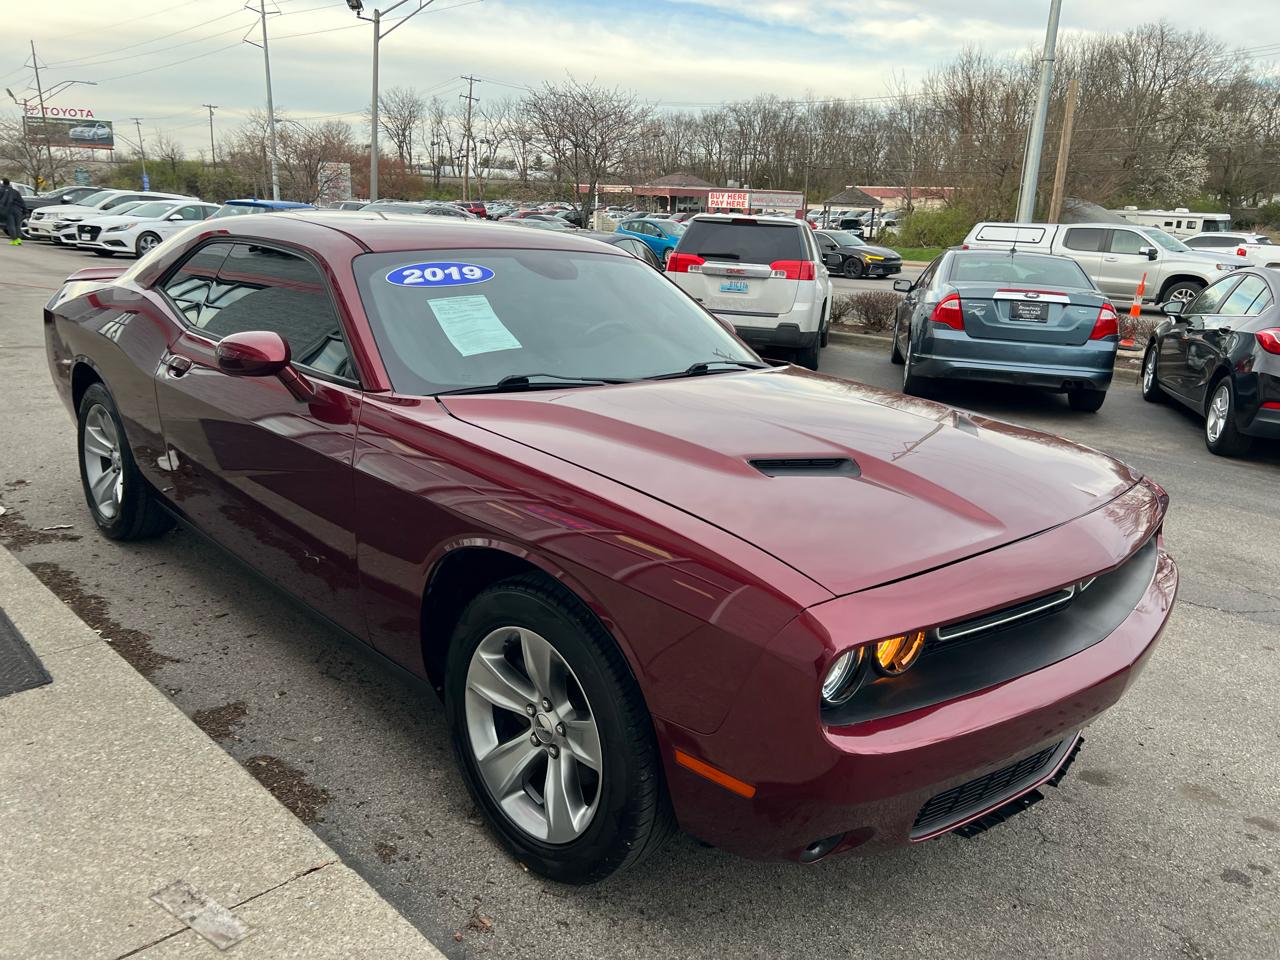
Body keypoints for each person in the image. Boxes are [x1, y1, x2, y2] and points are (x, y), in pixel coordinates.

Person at [0, 179, 22, 245]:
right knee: (17, 225)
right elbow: (21, 201)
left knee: (10, 225)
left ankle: (14, 240)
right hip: (17, 209)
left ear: (3, 183)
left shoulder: (1, 190)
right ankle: (19, 239)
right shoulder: (15, 191)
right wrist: (25, 210)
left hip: (8, 209)